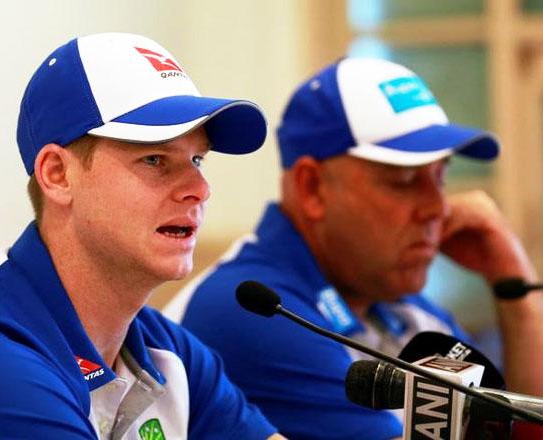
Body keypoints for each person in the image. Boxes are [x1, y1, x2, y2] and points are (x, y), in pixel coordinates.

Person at [0, 33, 286, 439]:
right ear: (57, 174)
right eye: (155, 159)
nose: (199, 188)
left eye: (197, 159)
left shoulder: (163, 348)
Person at [167, 57, 543, 439]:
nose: (438, 208)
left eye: (440, 177)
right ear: (312, 188)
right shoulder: (256, 310)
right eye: (406, 180)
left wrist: (518, 292)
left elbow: (517, 431)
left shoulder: (392, 302)